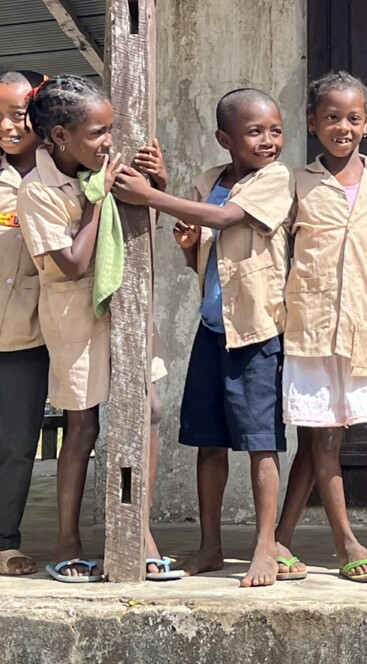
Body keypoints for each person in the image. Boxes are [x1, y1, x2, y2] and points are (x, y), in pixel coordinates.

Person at [114, 88, 293, 587]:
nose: (269, 141)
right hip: (213, 327)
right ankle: (210, 546)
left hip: (257, 331)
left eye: (275, 130)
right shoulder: (208, 181)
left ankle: (264, 549)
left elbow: (225, 218)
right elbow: (200, 248)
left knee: (261, 444)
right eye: (255, 131)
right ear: (225, 138)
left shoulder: (275, 180)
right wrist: (182, 226)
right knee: (208, 442)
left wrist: (151, 195)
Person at [17, 74, 174, 582]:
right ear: (60, 137)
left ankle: (139, 530)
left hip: (124, 310)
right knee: (81, 426)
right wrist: (96, 200)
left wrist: (156, 183)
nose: (109, 142)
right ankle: (68, 539)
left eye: (111, 129)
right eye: (97, 133)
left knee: (148, 408)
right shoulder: (38, 190)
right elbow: (73, 263)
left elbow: (143, 214)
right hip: (73, 316)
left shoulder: (104, 166)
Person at [274, 71, 367, 582]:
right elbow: (271, 249)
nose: (342, 127)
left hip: (357, 331)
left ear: (366, 124)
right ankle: (348, 545)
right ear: (312, 121)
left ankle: (280, 541)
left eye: (353, 118)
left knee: (322, 440)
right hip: (308, 329)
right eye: (331, 117)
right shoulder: (296, 183)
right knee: (324, 440)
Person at [0, 70, 50, 577]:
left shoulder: (56, 175)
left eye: (17, 116)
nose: (9, 127)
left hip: (27, 337)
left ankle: (4, 541)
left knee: (17, 445)